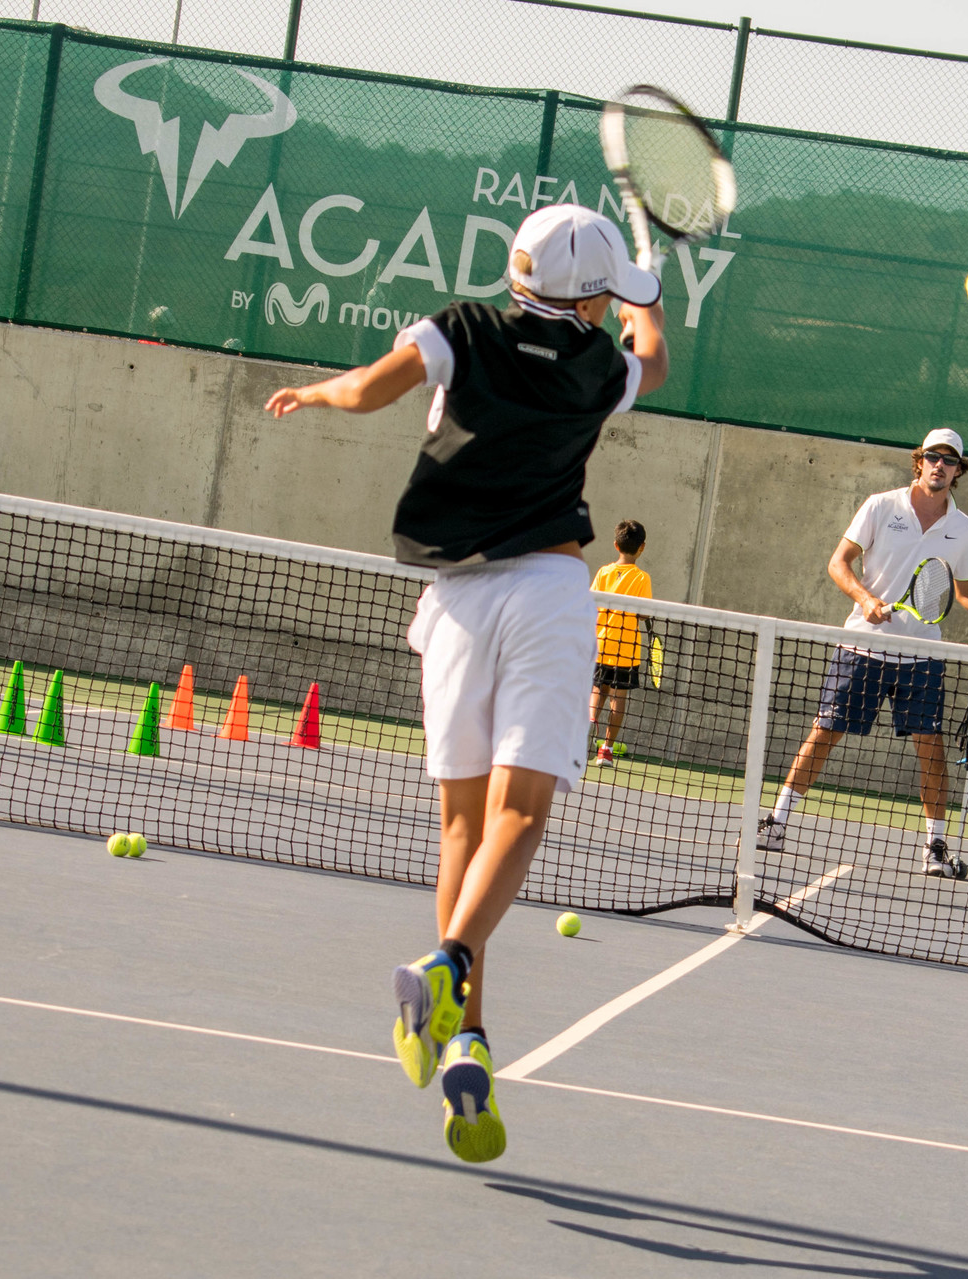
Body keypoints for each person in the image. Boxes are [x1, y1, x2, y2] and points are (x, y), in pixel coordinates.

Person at [263, 203, 667, 1163]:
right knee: (520, 819)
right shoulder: (602, 368)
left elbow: (367, 391)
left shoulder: (461, 326)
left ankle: (467, 1040)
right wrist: (650, 297)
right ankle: (447, 970)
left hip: (453, 603)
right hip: (549, 592)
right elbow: (653, 359)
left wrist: (318, 395)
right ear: (597, 296)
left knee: (460, 826)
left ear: (518, 267)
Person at [756, 428, 968, 876]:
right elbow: (838, 562)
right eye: (933, 457)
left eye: (950, 460)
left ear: (959, 471)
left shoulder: (962, 529)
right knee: (825, 731)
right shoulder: (881, 506)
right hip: (863, 645)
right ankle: (777, 822)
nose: (940, 465)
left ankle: (935, 847)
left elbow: (967, 592)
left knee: (931, 749)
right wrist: (865, 600)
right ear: (918, 461)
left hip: (922, 658)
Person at [589, 519, 652, 765]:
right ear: (642, 547)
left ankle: (586, 730)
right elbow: (644, 612)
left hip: (600, 646)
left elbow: (591, 604)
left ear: (616, 545)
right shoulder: (642, 578)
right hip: (626, 650)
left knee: (598, 690)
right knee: (618, 698)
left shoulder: (603, 572)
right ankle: (606, 750)